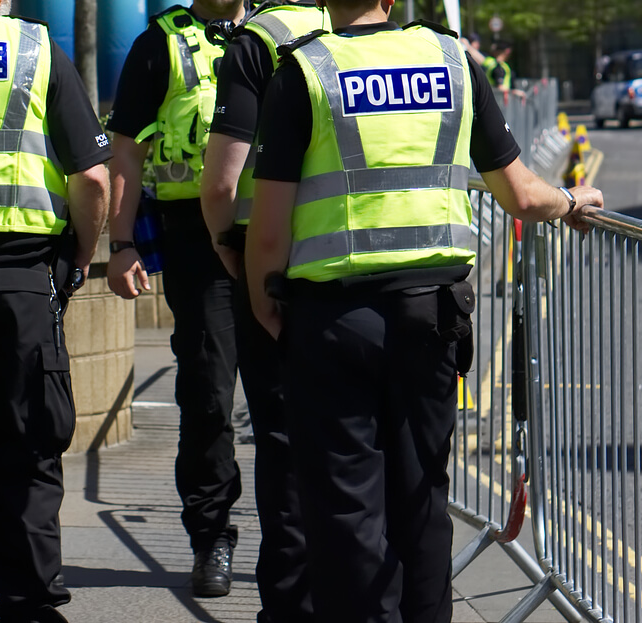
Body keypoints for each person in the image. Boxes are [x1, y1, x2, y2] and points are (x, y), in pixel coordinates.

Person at [244, 0, 604, 620]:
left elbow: (269, 229)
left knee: (348, 511)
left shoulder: (304, 73)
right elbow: (519, 193)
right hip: (430, 317)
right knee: (422, 501)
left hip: (332, 319)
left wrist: (264, 304)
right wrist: (570, 199)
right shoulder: (450, 63)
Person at [0, 2, 111, 622]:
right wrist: (82, 255)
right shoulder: (36, 49)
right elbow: (91, 176)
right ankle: (29, 600)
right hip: (21, 279)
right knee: (27, 442)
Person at [107, 0, 246, 598]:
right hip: (196, 240)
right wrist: (120, 242)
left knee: (294, 398)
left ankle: (300, 541)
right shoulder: (158, 46)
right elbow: (126, 153)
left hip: (277, 228)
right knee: (209, 394)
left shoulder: (277, 32)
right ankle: (210, 537)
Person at [199, 1, 327, 620]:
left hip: (276, 274)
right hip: (377, 279)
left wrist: (233, 252)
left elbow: (222, 183)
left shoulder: (258, 41)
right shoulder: (383, 37)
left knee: (283, 445)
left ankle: (290, 605)